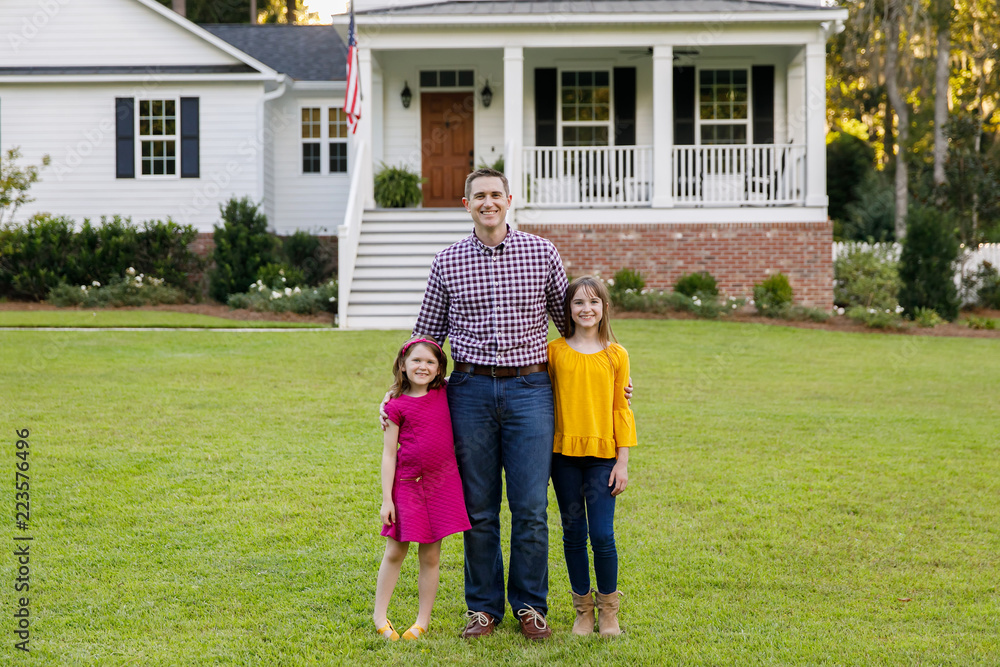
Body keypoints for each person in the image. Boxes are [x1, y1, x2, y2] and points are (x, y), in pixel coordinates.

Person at [410, 168, 568, 641]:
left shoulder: (542, 253)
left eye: (496, 194)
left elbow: (572, 325)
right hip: (471, 393)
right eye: (479, 196)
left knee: (530, 507)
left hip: (530, 392)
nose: (488, 202)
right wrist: (399, 392)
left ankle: (530, 606)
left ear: (509, 200)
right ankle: (483, 609)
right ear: (467, 204)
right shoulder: (447, 261)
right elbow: (427, 335)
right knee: (478, 508)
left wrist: (613, 377)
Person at [547, 277, 636, 637]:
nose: (586, 309)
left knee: (601, 534)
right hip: (563, 456)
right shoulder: (553, 352)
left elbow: (622, 408)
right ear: (567, 310)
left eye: (594, 302)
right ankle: (583, 610)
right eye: (578, 303)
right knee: (573, 533)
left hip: (602, 457)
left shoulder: (617, 355)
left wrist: (623, 460)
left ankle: (609, 612)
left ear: (605, 309)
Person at [373, 337, 471, 642]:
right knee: (395, 551)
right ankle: (379, 616)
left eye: (430, 362)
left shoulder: (446, 392)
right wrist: (387, 499)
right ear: (402, 365)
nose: (422, 367)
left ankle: (422, 621)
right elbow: (389, 454)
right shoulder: (395, 405)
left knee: (431, 556)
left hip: (442, 486)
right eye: (416, 360)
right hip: (407, 486)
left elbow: (471, 379)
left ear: (440, 368)